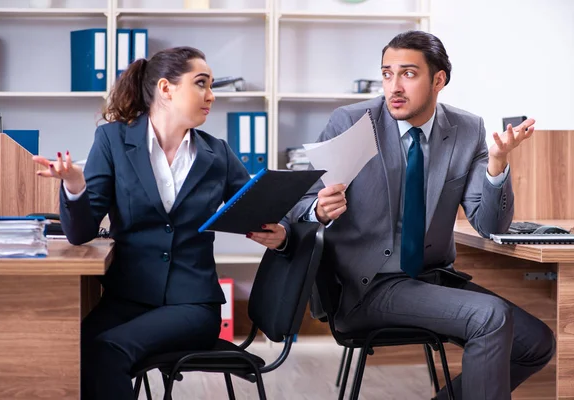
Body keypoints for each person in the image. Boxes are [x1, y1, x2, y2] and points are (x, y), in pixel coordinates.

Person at [279, 31, 555, 399]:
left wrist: (497, 165)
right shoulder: (354, 121)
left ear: (438, 79)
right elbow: (299, 206)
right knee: (489, 316)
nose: (394, 86)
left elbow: (490, 226)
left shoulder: (466, 128)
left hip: (431, 278)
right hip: (367, 287)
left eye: (408, 74)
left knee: (536, 342)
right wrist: (318, 209)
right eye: (387, 74)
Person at [32, 46, 286, 400]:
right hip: (127, 299)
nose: (211, 96)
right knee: (66, 351)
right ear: (166, 89)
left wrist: (280, 232)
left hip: (192, 305)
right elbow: (81, 233)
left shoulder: (218, 154)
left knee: (107, 351)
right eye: (201, 84)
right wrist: (75, 186)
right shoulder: (113, 141)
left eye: (211, 86)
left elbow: (263, 209)